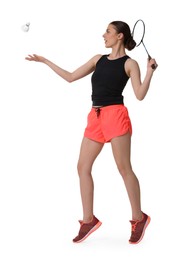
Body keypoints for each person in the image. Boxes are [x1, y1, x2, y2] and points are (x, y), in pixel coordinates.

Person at [25, 20, 158, 244]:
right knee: (82, 167)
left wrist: (149, 72)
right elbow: (70, 77)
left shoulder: (130, 63)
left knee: (124, 168)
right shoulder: (98, 59)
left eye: (108, 31)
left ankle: (139, 218)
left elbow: (140, 94)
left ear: (120, 37)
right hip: (95, 116)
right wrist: (46, 61)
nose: (103, 35)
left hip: (116, 114)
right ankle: (89, 220)